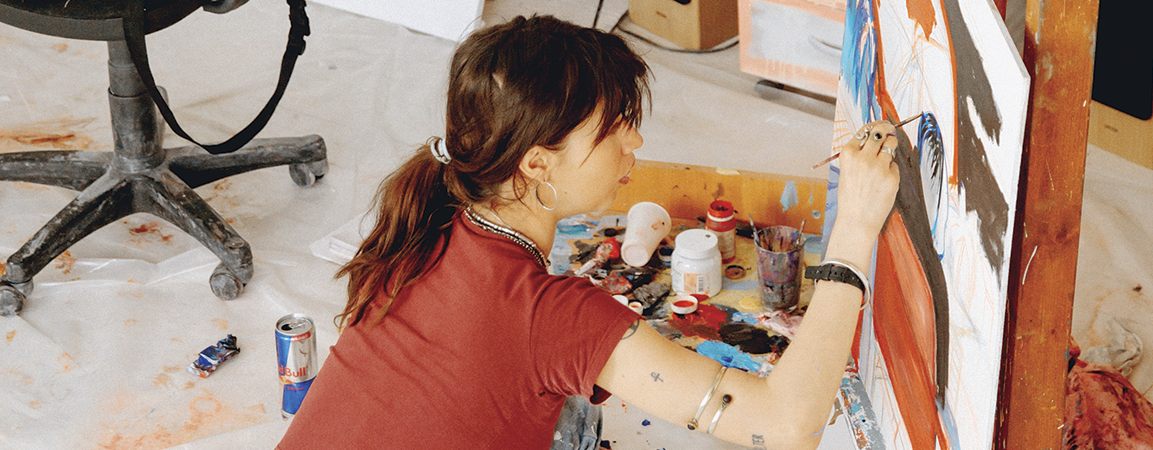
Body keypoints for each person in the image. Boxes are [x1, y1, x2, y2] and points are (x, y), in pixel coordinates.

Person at [277, 15, 899, 450]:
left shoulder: (423, 226)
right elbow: (787, 424)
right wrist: (855, 233)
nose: (636, 140)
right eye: (614, 127)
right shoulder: (554, 318)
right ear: (538, 163)